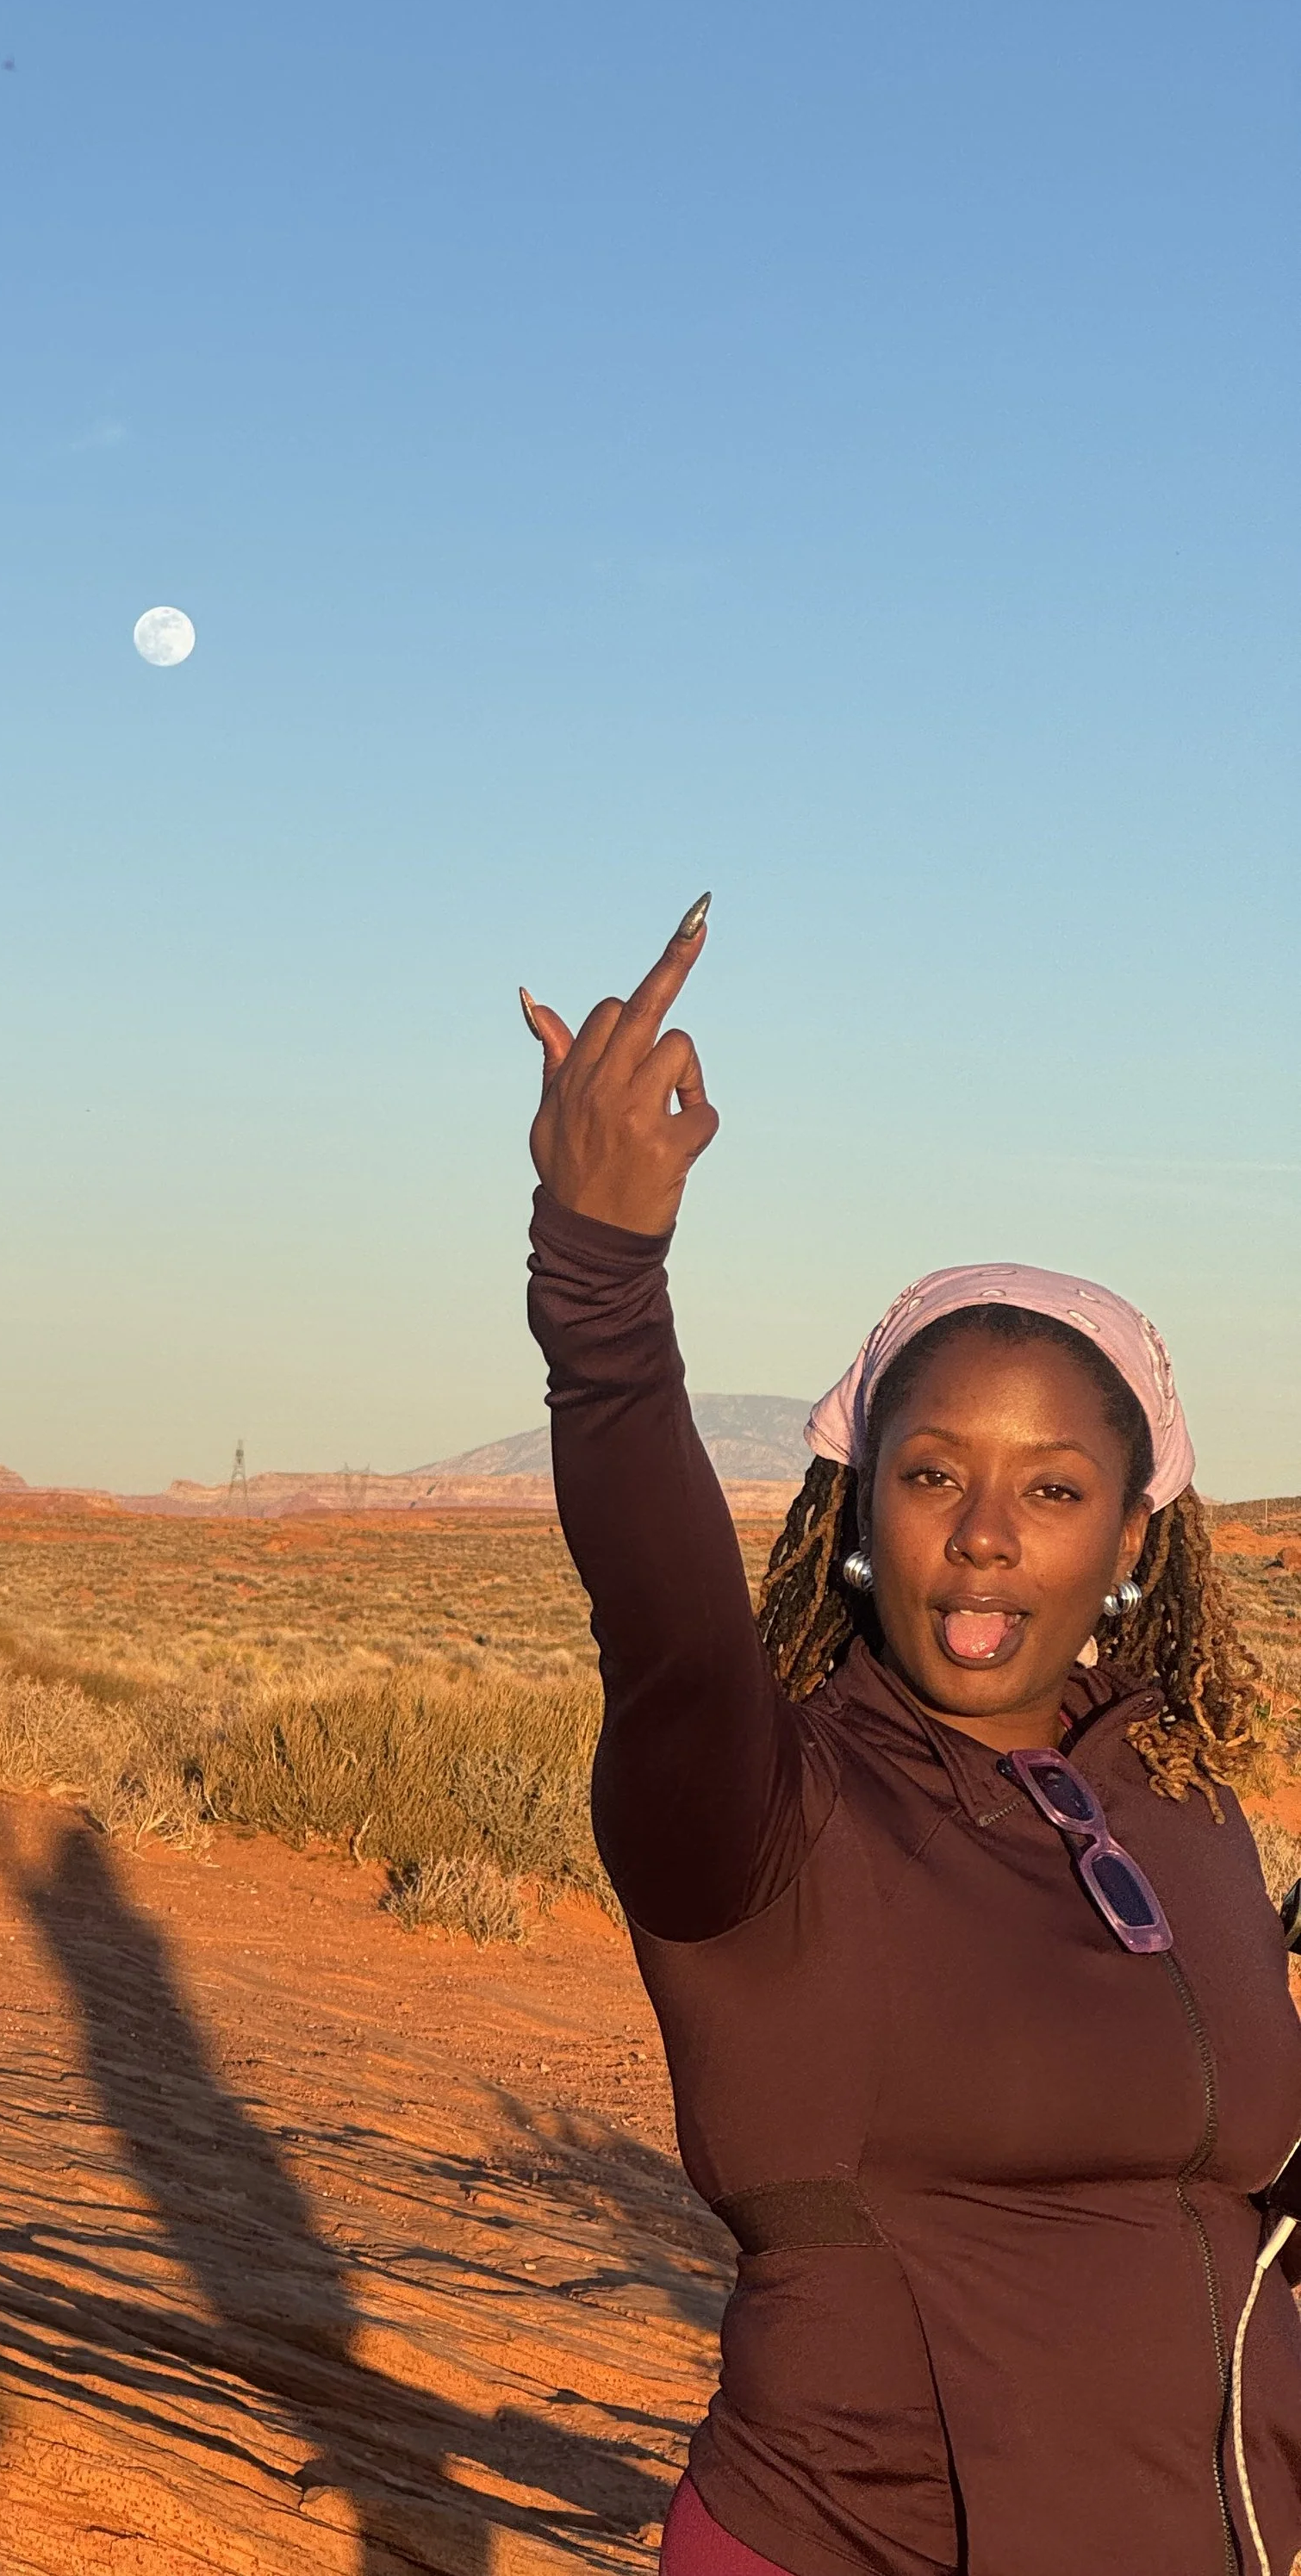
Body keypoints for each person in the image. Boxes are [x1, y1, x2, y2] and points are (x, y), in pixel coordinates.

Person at [520, 897, 1301, 2576]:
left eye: (1051, 1487)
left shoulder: (1179, 1807)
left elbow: (1244, 2222)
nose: (986, 1529)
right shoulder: (757, 1813)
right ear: (859, 1505)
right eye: (932, 1470)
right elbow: (662, 1633)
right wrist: (597, 1282)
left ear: (1131, 1541)